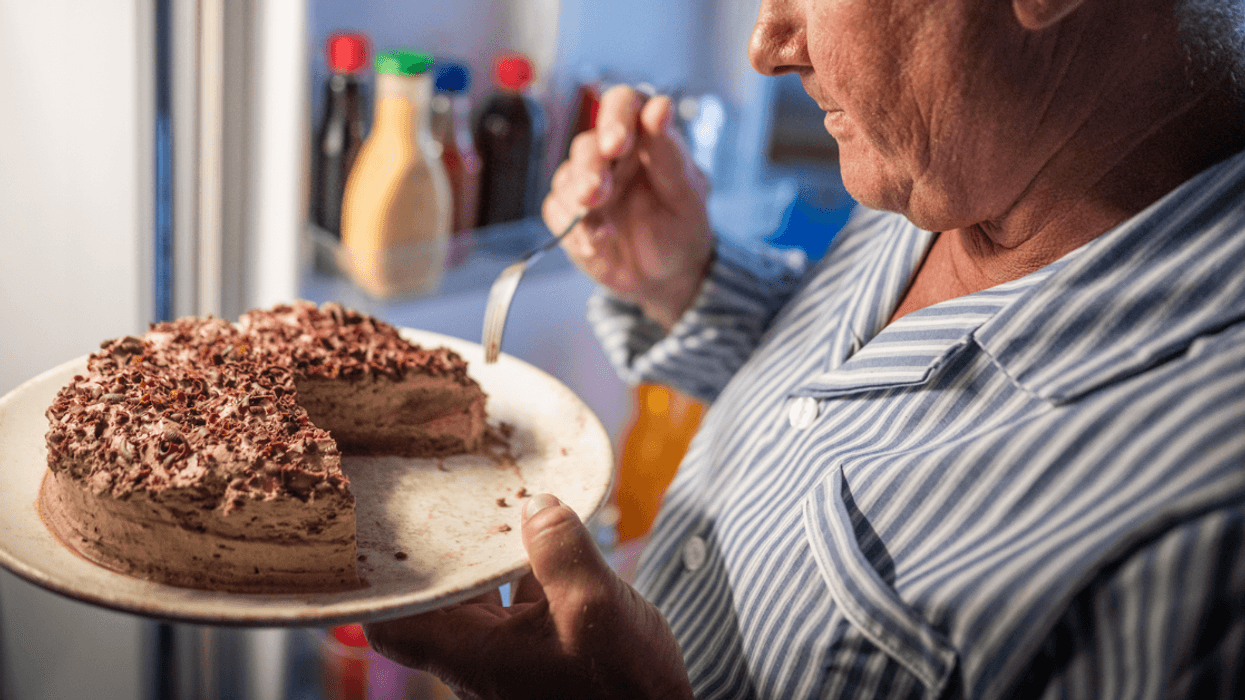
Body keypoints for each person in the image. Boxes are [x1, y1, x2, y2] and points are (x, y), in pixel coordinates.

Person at [365, 0, 1245, 696]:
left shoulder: (1205, 538)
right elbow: (868, 405)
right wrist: (687, 280)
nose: (766, 43)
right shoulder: (971, 153)